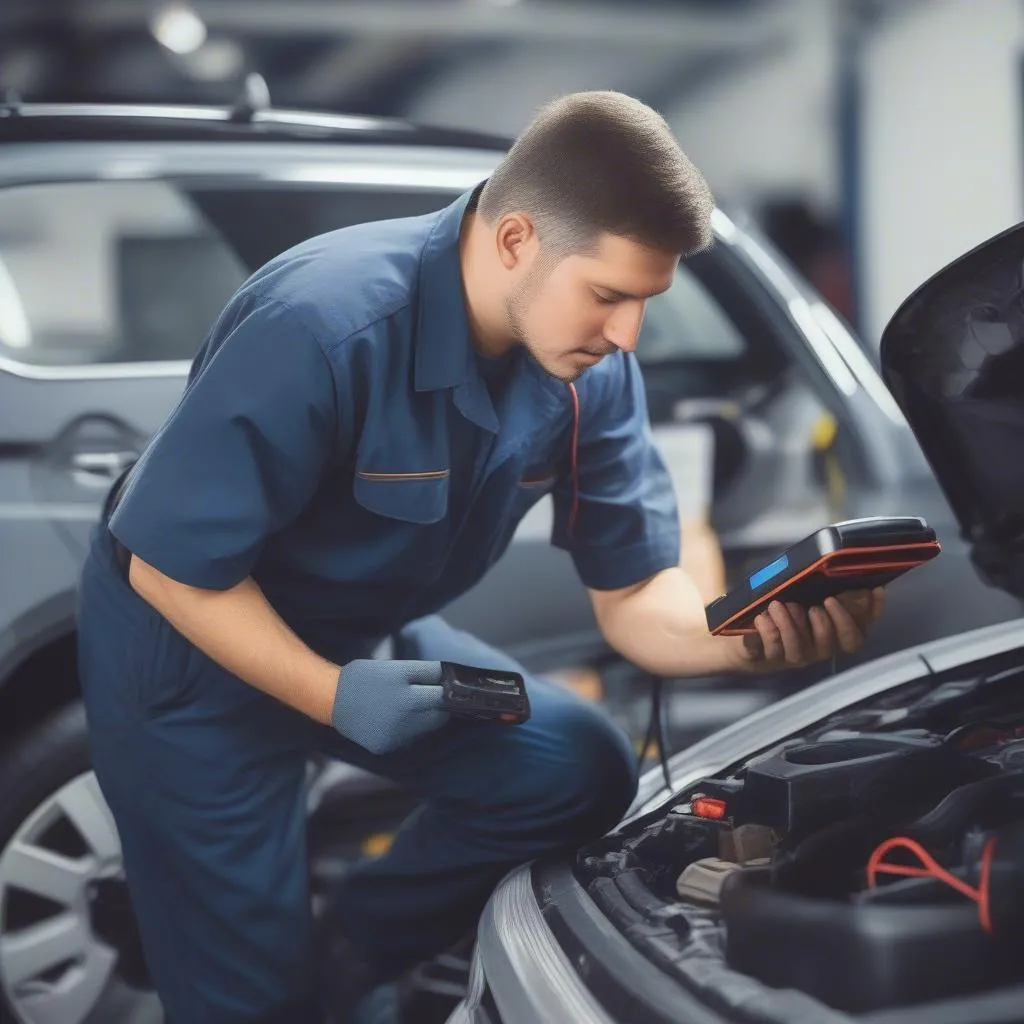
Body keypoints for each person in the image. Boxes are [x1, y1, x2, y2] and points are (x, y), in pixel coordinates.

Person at [76, 91, 885, 1024]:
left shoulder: (592, 371)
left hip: (359, 632)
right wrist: (333, 697)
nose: (627, 338)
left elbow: (634, 596)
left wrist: (741, 639)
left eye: (646, 304)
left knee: (576, 765)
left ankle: (351, 948)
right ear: (514, 241)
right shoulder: (324, 322)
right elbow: (168, 566)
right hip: (187, 660)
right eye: (610, 296)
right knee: (252, 1007)